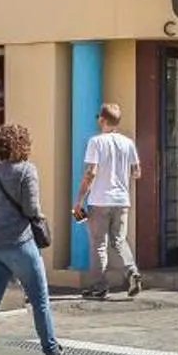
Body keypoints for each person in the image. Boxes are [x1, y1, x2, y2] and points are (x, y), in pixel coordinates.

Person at [0, 124, 73, 355]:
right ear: (23, 145)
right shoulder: (27, 170)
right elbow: (32, 209)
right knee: (40, 300)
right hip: (19, 244)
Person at [76, 102, 143, 301]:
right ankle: (132, 272)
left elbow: (91, 173)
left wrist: (79, 200)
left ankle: (99, 286)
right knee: (119, 241)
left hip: (99, 200)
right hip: (122, 200)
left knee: (99, 244)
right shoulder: (128, 143)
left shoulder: (96, 142)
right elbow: (137, 172)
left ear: (102, 120)